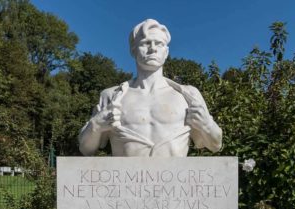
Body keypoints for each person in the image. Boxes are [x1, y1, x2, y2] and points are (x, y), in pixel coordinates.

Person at [79, 19, 222, 157]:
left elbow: (215, 145)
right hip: (127, 179)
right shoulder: (111, 96)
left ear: (166, 53)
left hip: (174, 178)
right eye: (145, 43)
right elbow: (86, 149)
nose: (152, 48)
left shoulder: (188, 94)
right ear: (133, 51)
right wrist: (95, 125)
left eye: (159, 44)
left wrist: (207, 124)